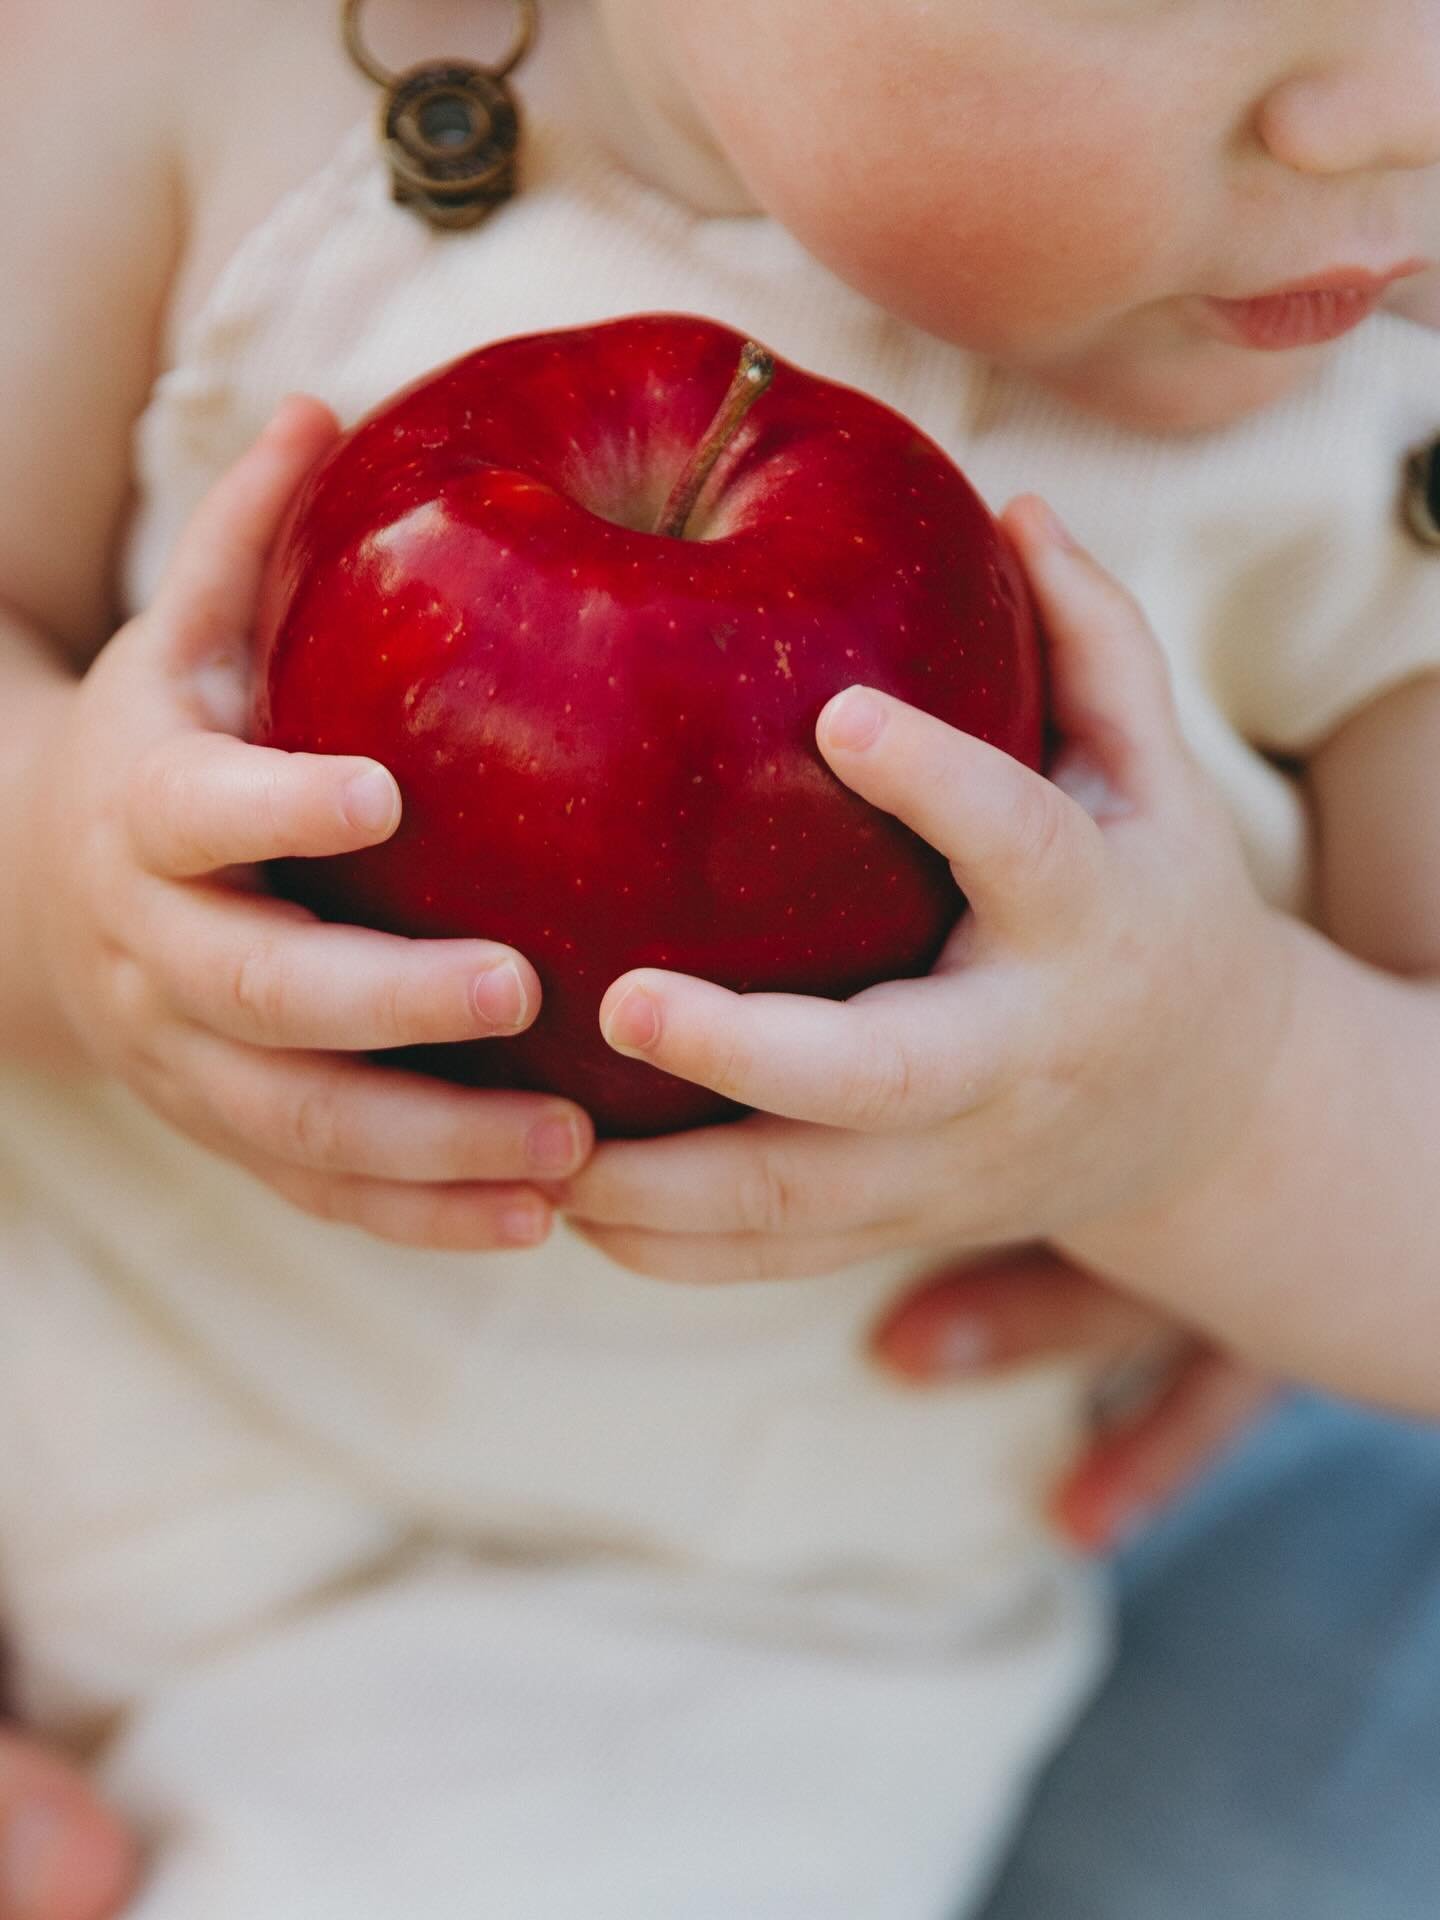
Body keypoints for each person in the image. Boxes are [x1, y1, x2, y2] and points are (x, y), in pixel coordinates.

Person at [0, 1, 1437, 1915]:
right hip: (66, 1295)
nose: (1401, 104)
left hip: (706, 1622)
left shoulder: (1376, 473)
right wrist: (60, 887)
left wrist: (1229, 1105)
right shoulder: (199, 84)